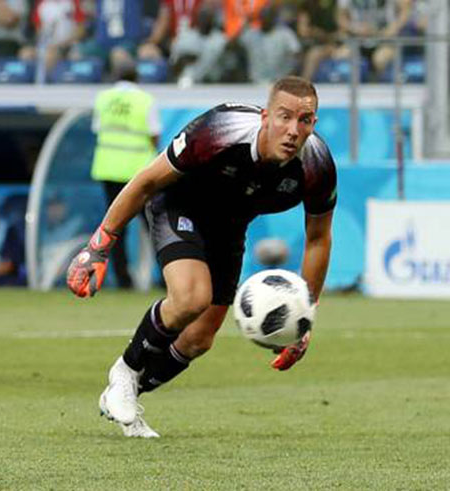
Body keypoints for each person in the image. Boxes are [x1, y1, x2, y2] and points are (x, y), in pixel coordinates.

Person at [67, 76, 336, 438]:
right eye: (284, 117)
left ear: (313, 124)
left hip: (229, 228)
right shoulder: (220, 129)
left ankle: (128, 391)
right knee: (192, 298)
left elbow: (318, 239)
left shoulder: (317, 165)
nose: (292, 130)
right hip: (178, 204)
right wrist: (99, 245)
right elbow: (146, 181)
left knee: (198, 339)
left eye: (303, 121)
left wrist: (305, 319)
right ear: (265, 116)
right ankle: (124, 372)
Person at [90, 58, 160, 289]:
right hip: (137, 172)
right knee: (153, 226)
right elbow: (154, 134)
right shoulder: (145, 100)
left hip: (108, 169)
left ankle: (123, 280)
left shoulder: (103, 98)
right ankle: (166, 278)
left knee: (115, 226)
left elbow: (98, 129)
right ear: (136, 78)